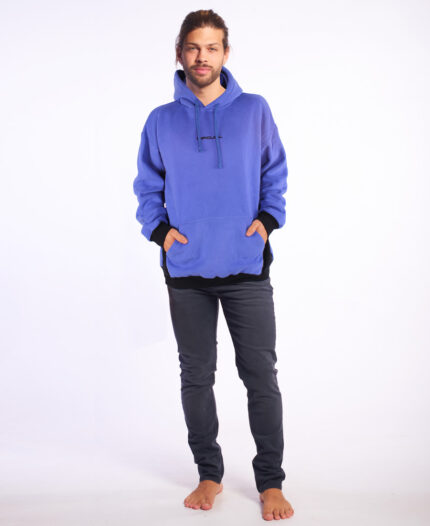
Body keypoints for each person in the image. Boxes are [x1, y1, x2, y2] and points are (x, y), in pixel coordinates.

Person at [133, 9, 294, 521]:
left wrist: (267, 220)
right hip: (187, 270)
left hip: (246, 265)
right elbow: (147, 186)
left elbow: (275, 171)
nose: (202, 57)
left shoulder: (254, 109)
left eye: (212, 48)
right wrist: (161, 231)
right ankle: (209, 473)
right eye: (193, 47)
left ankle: (271, 481)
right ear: (180, 52)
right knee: (196, 376)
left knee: (260, 376)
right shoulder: (160, 120)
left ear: (226, 53)